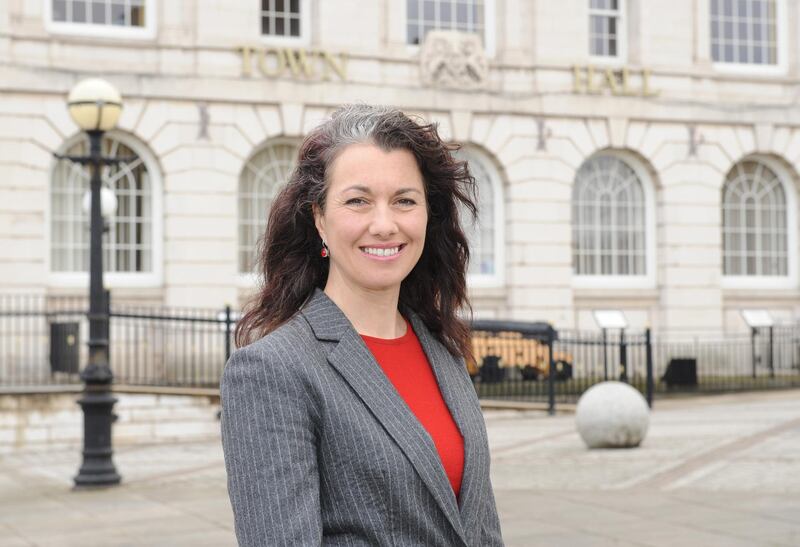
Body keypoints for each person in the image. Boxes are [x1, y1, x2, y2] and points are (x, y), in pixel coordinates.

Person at [221, 104, 504, 546]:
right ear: (319, 218)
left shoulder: (442, 349)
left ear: (428, 215)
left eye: (404, 201)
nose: (385, 224)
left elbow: (479, 527)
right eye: (358, 201)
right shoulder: (272, 371)